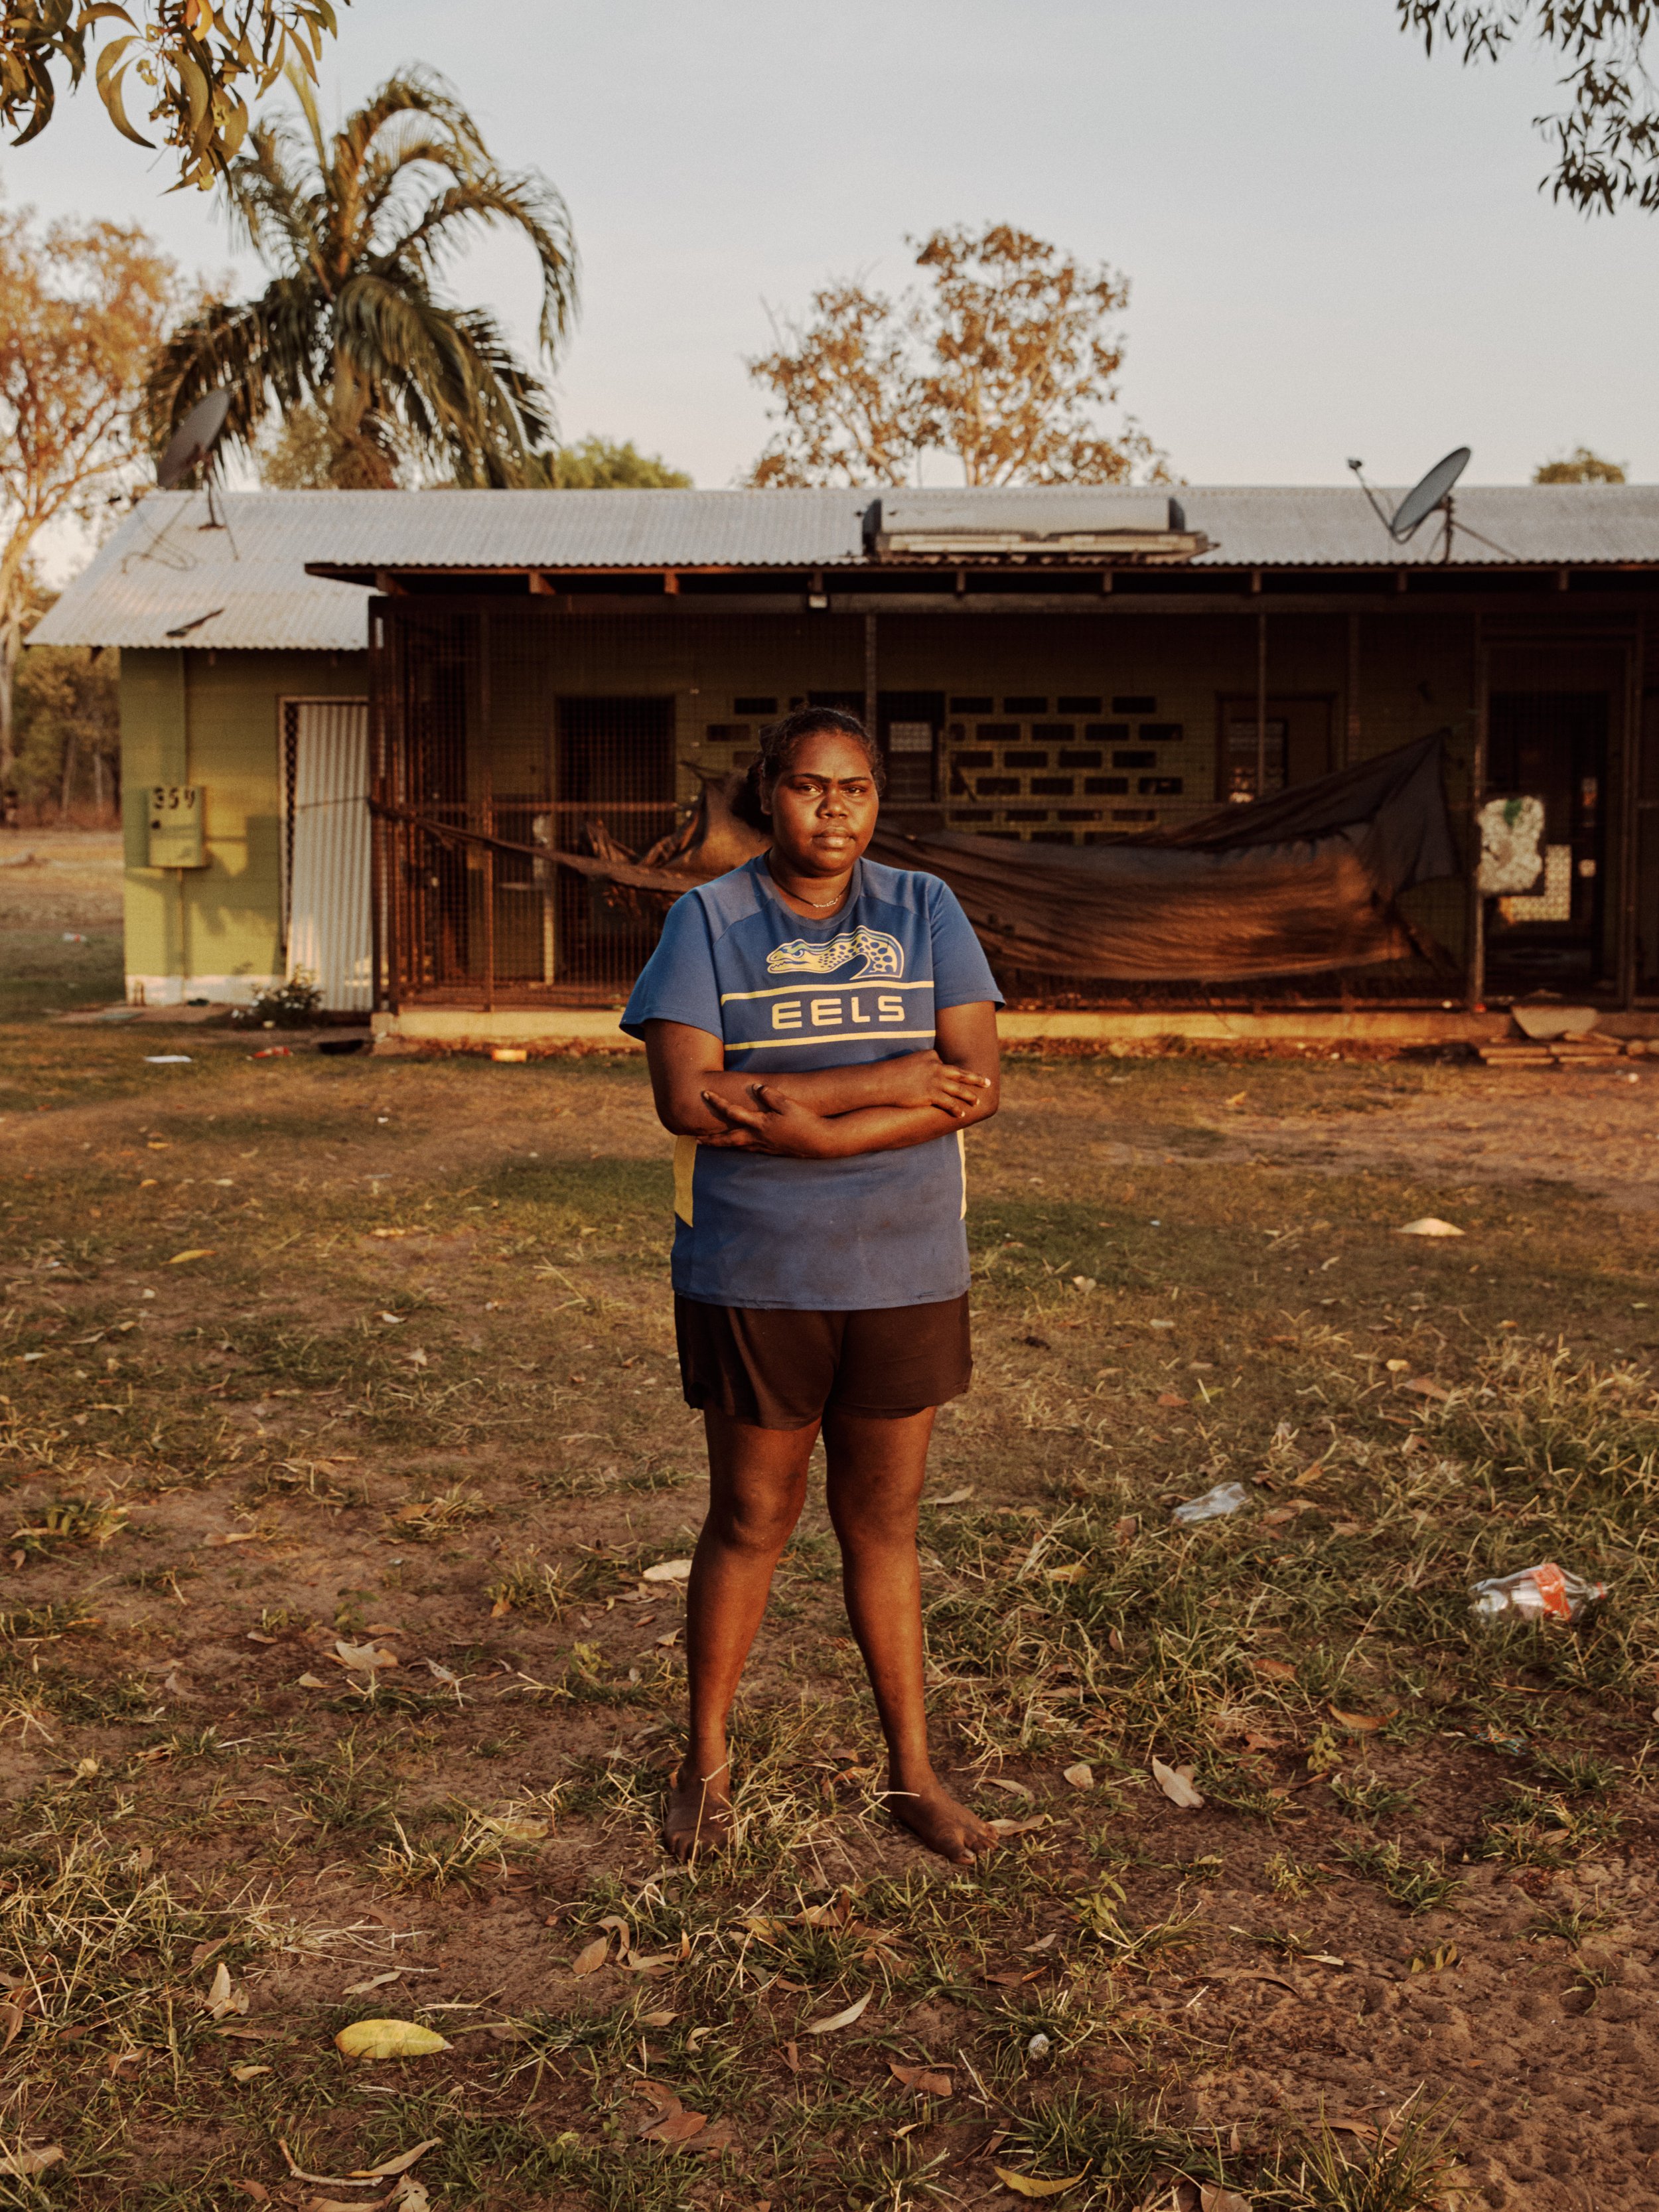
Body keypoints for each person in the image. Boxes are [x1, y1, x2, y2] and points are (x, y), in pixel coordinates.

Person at [620, 707, 1003, 1866]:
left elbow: (974, 1081)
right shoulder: (708, 919)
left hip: (905, 1262)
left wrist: (826, 1123)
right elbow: (692, 1098)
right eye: (807, 786)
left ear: (876, 802)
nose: (833, 808)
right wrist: (898, 1089)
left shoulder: (924, 909)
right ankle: (706, 1765)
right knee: (751, 1517)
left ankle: (914, 1777)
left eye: (856, 788)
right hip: (759, 1270)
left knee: (883, 1523)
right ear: (767, 797)